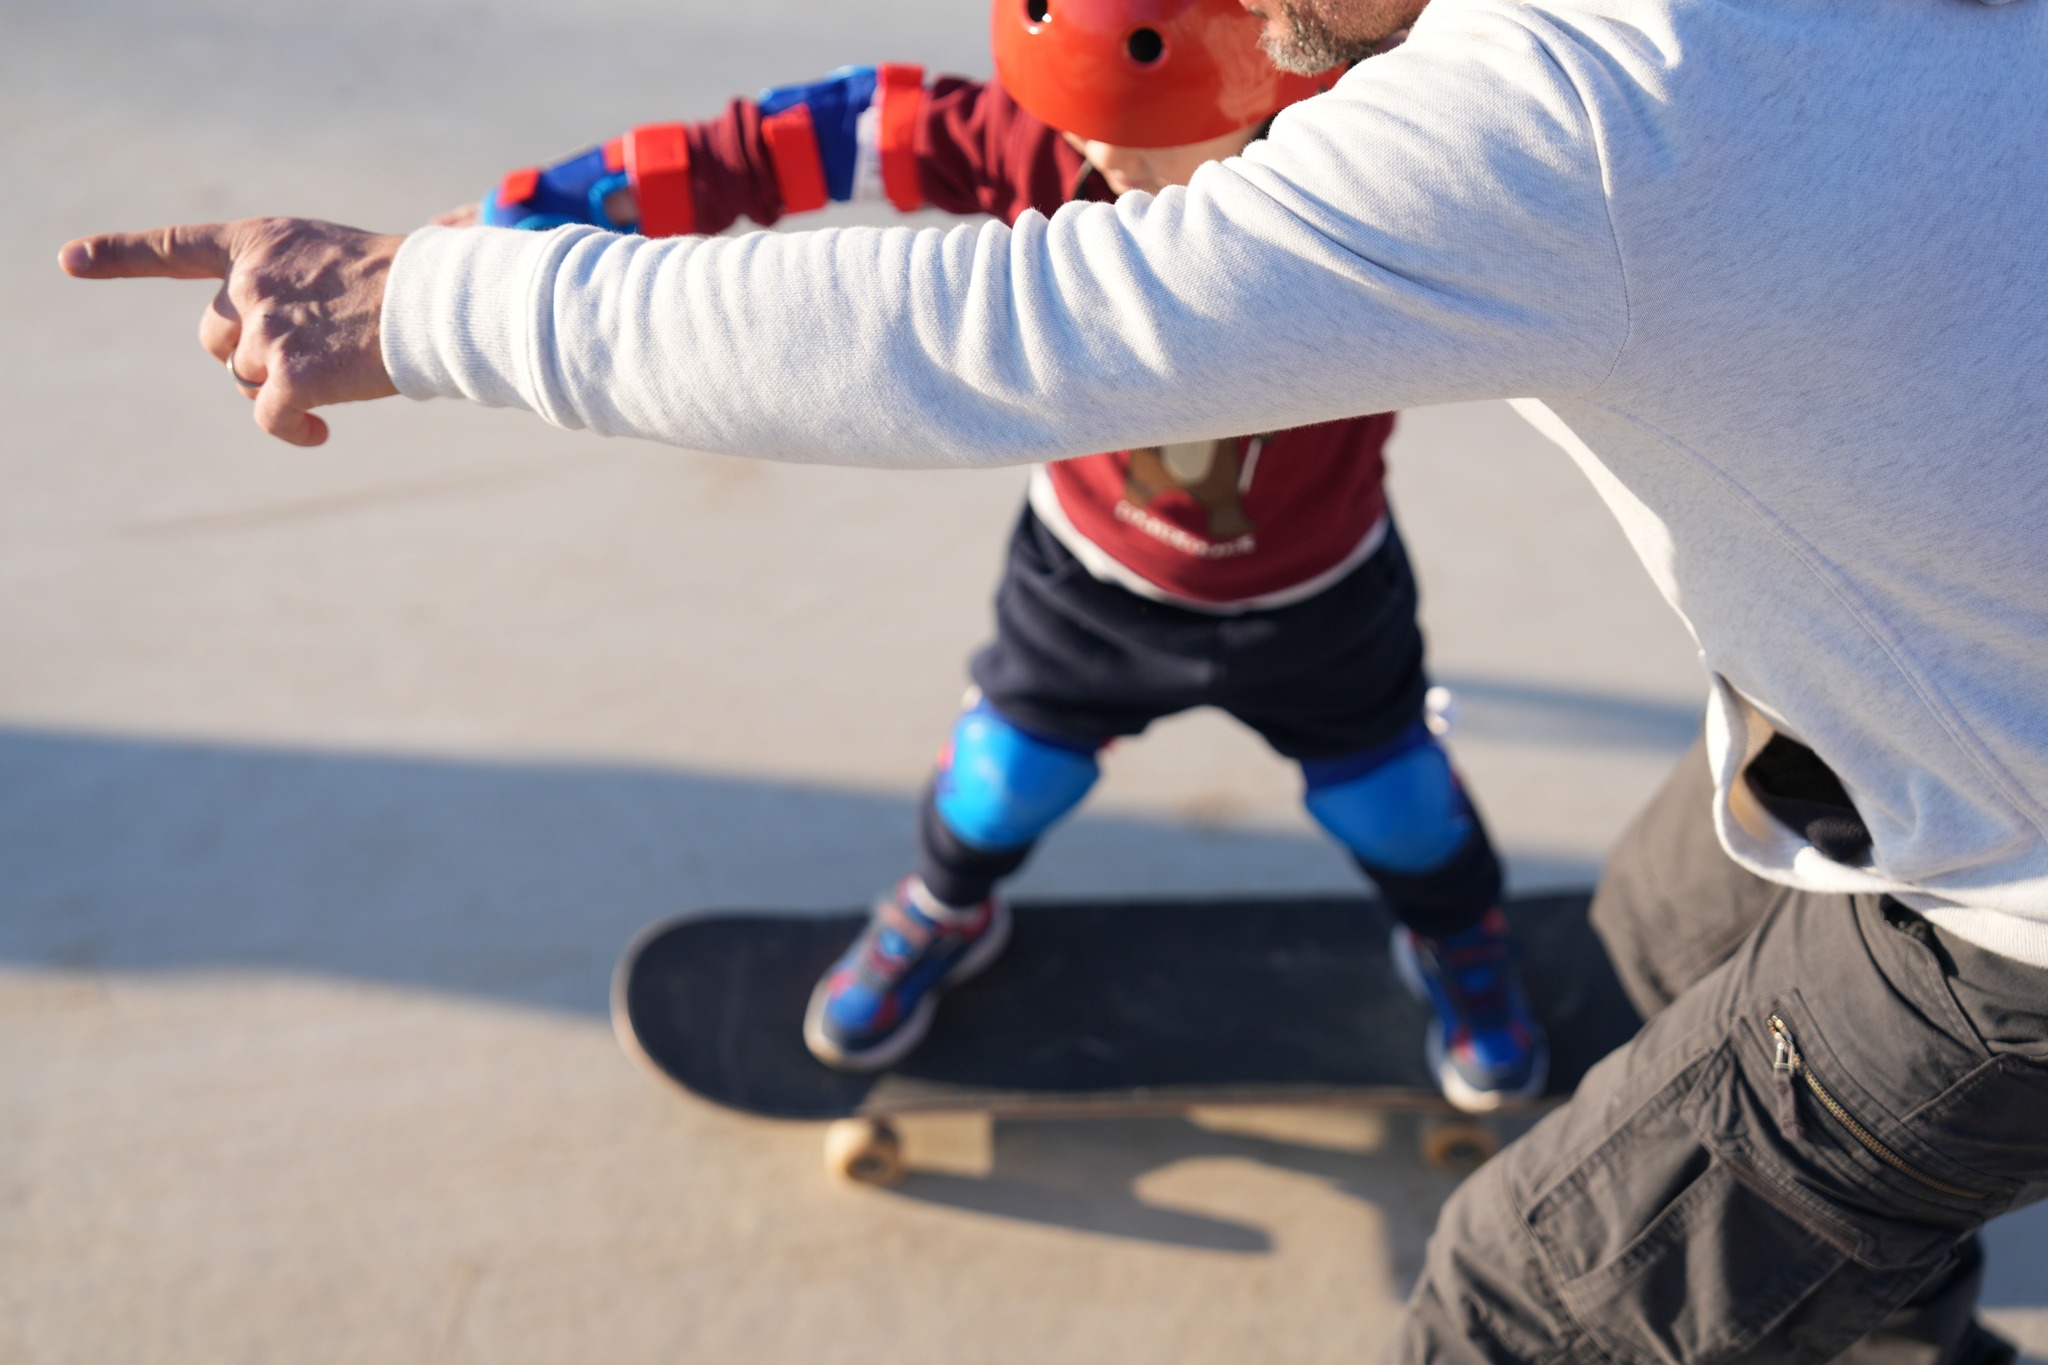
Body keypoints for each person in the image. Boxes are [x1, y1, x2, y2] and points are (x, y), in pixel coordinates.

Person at [57, 0, 2048, 1360]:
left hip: (2004, 893)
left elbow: (994, 326)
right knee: (1635, 956)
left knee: (1527, 1300)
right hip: (1857, 703)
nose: (1265, 48)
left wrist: (420, 292)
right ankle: (1861, 1281)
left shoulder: (1545, 110)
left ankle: (1852, 1283)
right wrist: (527, 216)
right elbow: (795, 151)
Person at [449, 4, 1546, 1107]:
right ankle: (945, 909)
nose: (1102, 159)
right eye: (1076, 124)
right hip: (1086, 590)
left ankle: (1457, 940)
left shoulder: (1367, 172)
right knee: (993, 791)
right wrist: (545, 214)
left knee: (1400, 812)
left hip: (1320, 600)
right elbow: (807, 135)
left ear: (1273, 86)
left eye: (1140, 128)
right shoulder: (1034, 145)